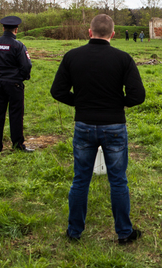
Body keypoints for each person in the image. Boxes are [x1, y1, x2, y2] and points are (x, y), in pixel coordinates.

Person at [51, 14, 146, 244]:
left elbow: (57, 91)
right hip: (114, 126)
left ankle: (74, 232)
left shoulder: (72, 56)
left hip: (84, 125)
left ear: (89, 32)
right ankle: (124, 233)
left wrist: (80, 103)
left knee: (80, 180)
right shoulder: (123, 58)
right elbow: (138, 96)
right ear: (113, 34)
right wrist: (117, 103)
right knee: (118, 181)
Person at [0, 16, 34, 153]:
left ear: (3, 28)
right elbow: (26, 65)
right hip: (14, 84)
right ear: (16, 29)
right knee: (16, 114)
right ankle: (17, 144)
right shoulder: (18, 45)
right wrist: (21, 77)